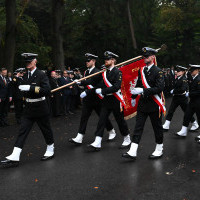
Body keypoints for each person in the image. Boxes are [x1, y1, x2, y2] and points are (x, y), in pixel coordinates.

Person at [0, 53, 55, 168]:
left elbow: (47, 90)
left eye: (30, 61)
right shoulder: (25, 76)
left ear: (35, 61)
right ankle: (15, 155)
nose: (27, 63)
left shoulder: (41, 74)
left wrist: (32, 88)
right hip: (29, 108)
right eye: (26, 62)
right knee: (22, 131)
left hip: (40, 107)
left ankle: (50, 148)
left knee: (46, 130)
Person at [122, 47, 165, 160]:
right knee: (138, 127)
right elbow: (139, 84)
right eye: (144, 56)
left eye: (147, 56)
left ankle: (159, 148)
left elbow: (159, 88)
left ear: (153, 57)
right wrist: (133, 96)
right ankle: (133, 150)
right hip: (142, 104)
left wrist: (143, 91)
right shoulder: (142, 70)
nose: (145, 58)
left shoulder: (158, 71)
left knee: (157, 127)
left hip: (154, 104)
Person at [84, 51, 131, 150]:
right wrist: (80, 82)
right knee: (102, 119)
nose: (106, 61)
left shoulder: (117, 72)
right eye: (105, 59)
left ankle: (127, 138)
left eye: (108, 59)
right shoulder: (104, 73)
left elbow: (116, 87)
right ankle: (97, 141)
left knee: (120, 121)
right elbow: (95, 82)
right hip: (106, 100)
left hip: (115, 99)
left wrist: (102, 90)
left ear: (113, 60)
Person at [69, 53, 116, 145]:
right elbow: (86, 83)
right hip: (88, 100)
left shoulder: (98, 71)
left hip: (97, 99)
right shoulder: (86, 72)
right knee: (84, 117)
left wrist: (86, 89)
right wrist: (80, 83)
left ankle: (111, 130)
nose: (86, 62)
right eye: (86, 60)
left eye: (88, 60)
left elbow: (98, 85)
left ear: (93, 61)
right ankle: (80, 136)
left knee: (103, 118)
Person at [163, 65, 199, 131]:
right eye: (177, 71)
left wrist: (174, 91)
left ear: (183, 72)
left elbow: (182, 89)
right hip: (176, 97)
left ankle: (195, 123)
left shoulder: (184, 79)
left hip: (182, 98)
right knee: (171, 111)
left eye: (179, 71)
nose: (177, 72)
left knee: (187, 112)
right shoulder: (177, 78)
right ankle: (166, 125)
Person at [175, 64, 200, 139]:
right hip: (192, 101)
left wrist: (189, 93)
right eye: (190, 70)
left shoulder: (199, 79)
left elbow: (199, 91)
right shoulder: (192, 78)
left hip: (198, 102)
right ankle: (183, 131)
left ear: (197, 70)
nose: (191, 72)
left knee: (199, 118)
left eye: (192, 70)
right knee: (187, 115)